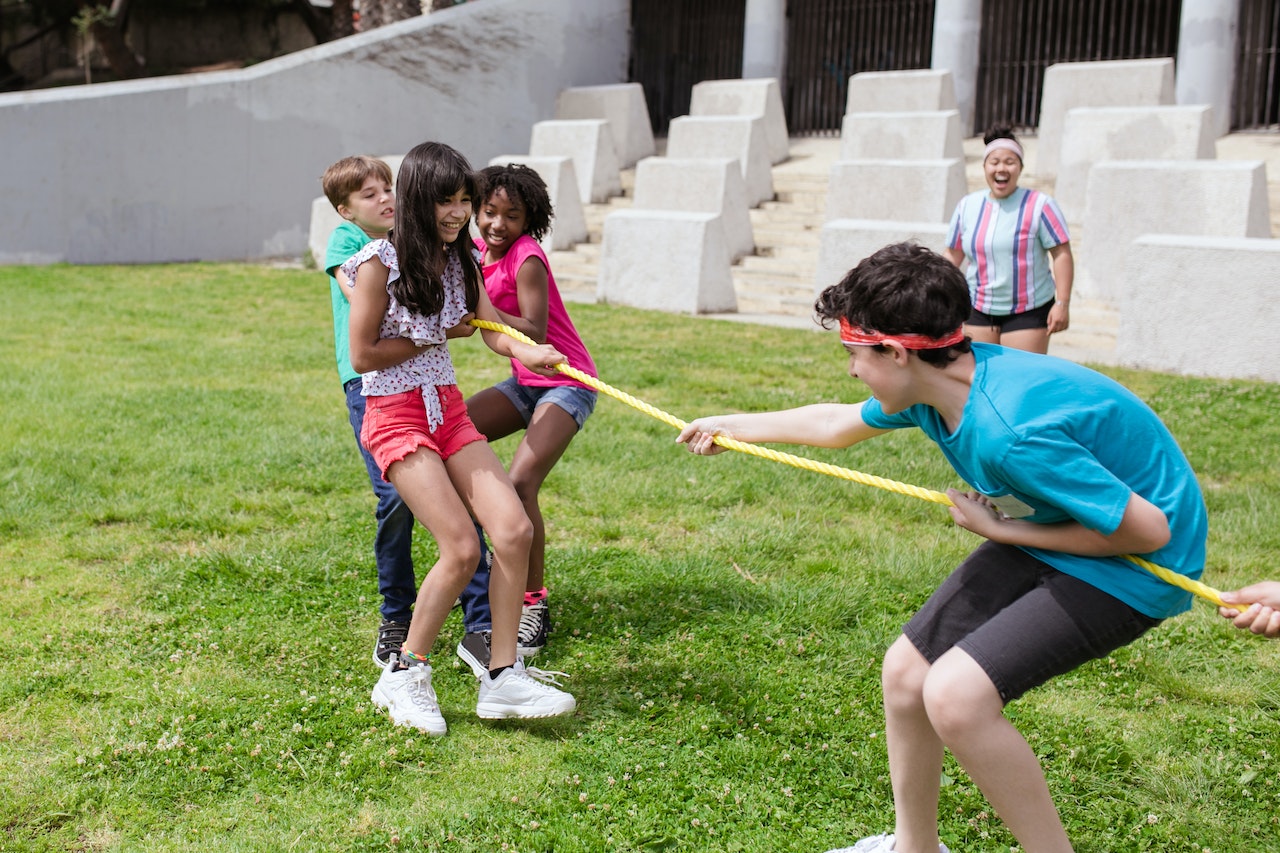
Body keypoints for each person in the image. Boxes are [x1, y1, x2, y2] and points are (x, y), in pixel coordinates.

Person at [677, 242, 1208, 853]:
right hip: (1062, 527)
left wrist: (1006, 532)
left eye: (854, 355)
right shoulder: (937, 388)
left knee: (956, 697)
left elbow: (1147, 531)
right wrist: (732, 424)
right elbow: (836, 424)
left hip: (1134, 566)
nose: (852, 370)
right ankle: (915, 847)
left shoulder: (1011, 432)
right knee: (907, 673)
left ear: (897, 353)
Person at [342, 141, 576, 735]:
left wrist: (533, 352)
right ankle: (404, 673)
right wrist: (429, 336)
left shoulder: (461, 261)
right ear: (420, 198)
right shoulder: (377, 264)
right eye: (447, 200)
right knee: (462, 547)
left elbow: (491, 330)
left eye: (463, 200)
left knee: (514, 529)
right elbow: (363, 352)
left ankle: (501, 677)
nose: (457, 211)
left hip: (446, 411)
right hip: (395, 416)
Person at [320, 155, 492, 669]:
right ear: (344, 209)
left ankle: (479, 623)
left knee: (465, 506)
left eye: (387, 188)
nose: (385, 200)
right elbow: (368, 315)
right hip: (371, 387)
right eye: (368, 195)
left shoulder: (429, 245)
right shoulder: (357, 248)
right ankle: (397, 613)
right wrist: (433, 322)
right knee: (396, 499)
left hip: (431, 389)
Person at [457, 163, 599, 668]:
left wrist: (485, 317)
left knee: (519, 486)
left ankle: (532, 603)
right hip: (524, 383)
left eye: (511, 216)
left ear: (528, 219)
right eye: (489, 212)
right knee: (450, 439)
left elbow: (535, 331)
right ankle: (472, 574)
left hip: (566, 382)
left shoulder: (527, 257)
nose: (496, 224)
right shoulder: (472, 253)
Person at [942, 126, 1074, 355]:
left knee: (1024, 380)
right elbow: (952, 255)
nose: (1001, 168)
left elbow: (1061, 254)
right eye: (994, 162)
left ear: (1020, 167)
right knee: (982, 379)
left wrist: (1062, 303)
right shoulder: (967, 206)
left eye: (1009, 162)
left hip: (1029, 310)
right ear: (984, 167)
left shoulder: (1041, 205)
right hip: (978, 308)